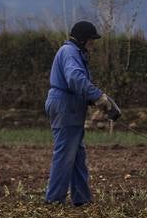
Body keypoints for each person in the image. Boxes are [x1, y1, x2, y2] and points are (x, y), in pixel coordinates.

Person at [44, 20, 119, 205]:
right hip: (65, 106)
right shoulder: (70, 52)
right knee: (65, 155)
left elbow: (77, 83)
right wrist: (99, 97)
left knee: (77, 155)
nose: (93, 44)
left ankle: (82, 199)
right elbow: (75, 78)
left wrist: (94, 99)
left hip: (69, 105)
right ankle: (54, 200)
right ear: (84, 40)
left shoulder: (73, 52)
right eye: (91, 40)